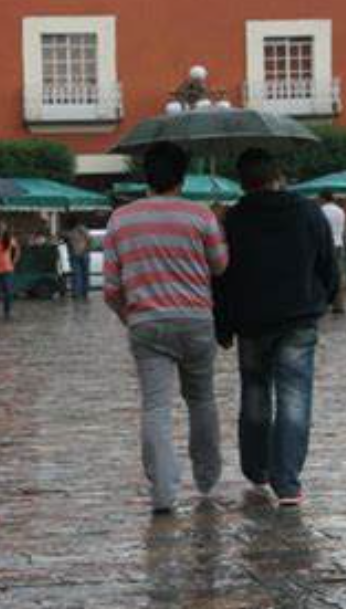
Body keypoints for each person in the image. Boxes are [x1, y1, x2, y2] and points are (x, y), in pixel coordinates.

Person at [103, 142, 229, 515]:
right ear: (182, 176)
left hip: (146, 321)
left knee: (156, 406)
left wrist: (130, 316)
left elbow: (111, 287)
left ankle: (163, 489)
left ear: (147, 176)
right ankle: (206, 476)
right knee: (201, 399)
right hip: (195, 320)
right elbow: (220, 266)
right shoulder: (201, 216)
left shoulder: (121, 220)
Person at [216, 148, 338, 508]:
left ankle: (257, 468)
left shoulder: (233, 220)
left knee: (255, 394)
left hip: (251, 321)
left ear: (242, 182)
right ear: (277, 176)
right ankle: (287, 482)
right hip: (299, 317)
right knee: (294, 398)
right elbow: (327, 262)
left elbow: (222, 277)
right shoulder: (308, 212)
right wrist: (325, 298)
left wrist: (222, 324)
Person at [319, 191, 346, 315]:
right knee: (340, 274)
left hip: (325, 245)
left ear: (322, 198)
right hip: (339, 244)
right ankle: (339, 304)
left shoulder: (320, 210)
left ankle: (322, 304)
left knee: (321, 275)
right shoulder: (341, 211)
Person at [67, 221, 92, 299]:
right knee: (83, 275)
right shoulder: (82, 229)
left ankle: (77, 293)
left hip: (76, 254)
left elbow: (69, 244)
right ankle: (83, 293)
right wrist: (86, 249)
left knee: (77, 275)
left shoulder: (73, 231)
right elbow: (90, 239)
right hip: (82, 254)